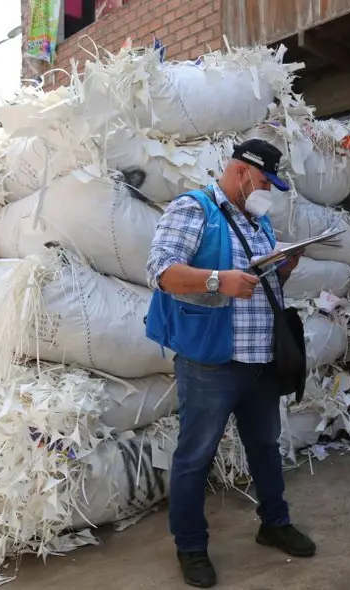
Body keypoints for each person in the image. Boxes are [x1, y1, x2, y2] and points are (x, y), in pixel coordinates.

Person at [145, 139, 315, 588]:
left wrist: (283, 267)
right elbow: (161, 271)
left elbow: (258, 284)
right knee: (195, 456)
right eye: (264, 182)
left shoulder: (259, 223)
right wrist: (217, 280)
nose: (268, 192)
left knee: (265, 446)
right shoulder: (194, 209)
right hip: (211, 362)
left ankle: (274, 523)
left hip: (260, 360)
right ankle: (190, 546)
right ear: (241, 173)